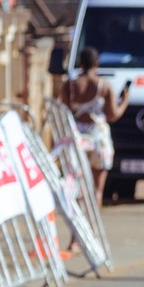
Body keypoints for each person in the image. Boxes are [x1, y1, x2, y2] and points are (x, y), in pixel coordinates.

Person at [59, 47, 130, 207]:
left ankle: (76, 230)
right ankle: (92, 229)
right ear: (96, 63)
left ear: (81, 63)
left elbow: (64, 111)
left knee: (77, 188)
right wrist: (125, 101)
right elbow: (113, 114)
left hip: (77, 138)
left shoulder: (69, 85)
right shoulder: (104, 86)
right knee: (96, 189)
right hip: (98, 137)